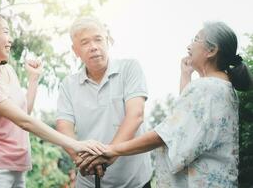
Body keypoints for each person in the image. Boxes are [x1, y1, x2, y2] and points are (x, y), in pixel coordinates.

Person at [0, 12, 106, 188]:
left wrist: (33, 80)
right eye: (5, 32)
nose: (10, 39)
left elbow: (22, 114)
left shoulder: (8, 72)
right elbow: (25, 122)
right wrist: (76, 145)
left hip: (16, 168)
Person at [101, 21, 253, 188]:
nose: (189, 46)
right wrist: (186, 75)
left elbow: (167, 134)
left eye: (196, 39)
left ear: (212, 50)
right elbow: (190, 122)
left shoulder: (205, 88)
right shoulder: (222, 87)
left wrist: (114, 150)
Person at [56, 16, 153, 188]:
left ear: (107, 41)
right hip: (88, 180)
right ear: (75, 50)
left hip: (134, 181)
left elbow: (136, 115)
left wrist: (108, 155)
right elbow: (64, 128)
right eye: (85, 42)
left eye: (98, 39)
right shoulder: (68, 84)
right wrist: (81, 160)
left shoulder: (129, 68)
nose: (93, 47)